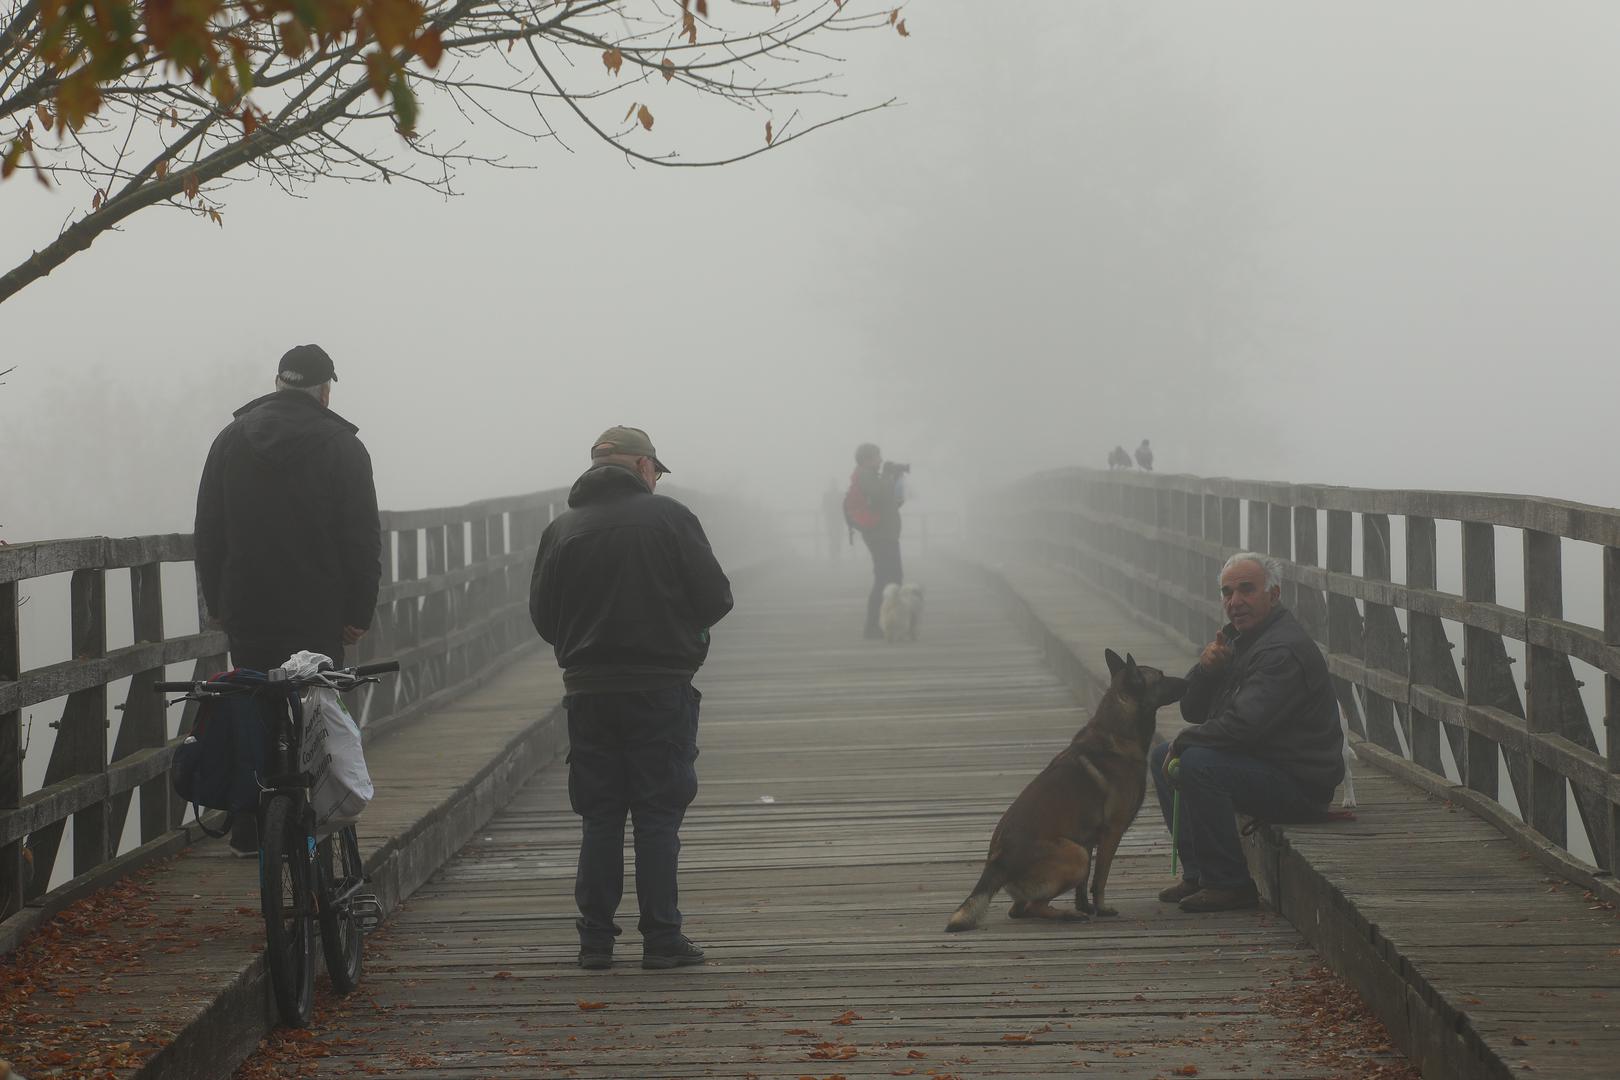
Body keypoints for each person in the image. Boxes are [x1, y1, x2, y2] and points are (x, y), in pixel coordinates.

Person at [529, 426, 733, 971]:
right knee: (657, 815)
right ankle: (662, 939)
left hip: (589, 691)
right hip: (659, 687)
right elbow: (715, 597)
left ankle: (595, 942)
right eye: (657, 471)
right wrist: (687, 636)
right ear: (643, 467)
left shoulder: (562, 529)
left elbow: (544, 619)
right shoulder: (670, 519)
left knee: (599, 816)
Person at [194, 344, 382, 856]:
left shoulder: (231, 439)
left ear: (278, 383)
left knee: (253, 700)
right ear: (324, 391)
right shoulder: (343, 446)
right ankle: (315, 819)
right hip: (318, 610)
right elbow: (362, 536)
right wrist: (357, 612)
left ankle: (252, 820)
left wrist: (217, 601)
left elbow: (208, 531)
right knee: (315, 708)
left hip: (248, 607)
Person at [1150, 552, 1344, 912]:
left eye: (1246, 590)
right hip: (1265, 763)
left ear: (1273, 594)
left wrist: (1185, 741)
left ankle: (1230, 883)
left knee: (1195, 762)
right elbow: (1192, 710)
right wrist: (1208, 671)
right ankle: (1198, 873)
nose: (1234, 602)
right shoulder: (1242, 639)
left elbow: (1243, 727)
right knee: (1162, 755)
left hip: (1300, 784)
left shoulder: (1281, 650)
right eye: (1227, 593)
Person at [848, 443, 904, 640]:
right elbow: (878, 493)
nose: (880, 460)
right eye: (877, 457)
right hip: (880, 535)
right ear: (867, 459)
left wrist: (896, 481)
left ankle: (883, 623)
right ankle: (873, 626)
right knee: (886, 579)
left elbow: (889, 500)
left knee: (891, 578)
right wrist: (889, 477)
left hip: (885, 534)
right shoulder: (865, 474)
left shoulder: (871, 475)